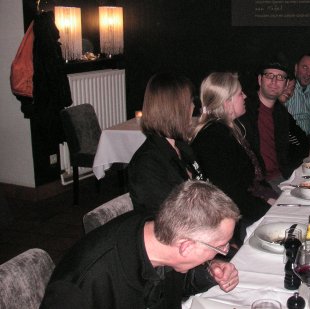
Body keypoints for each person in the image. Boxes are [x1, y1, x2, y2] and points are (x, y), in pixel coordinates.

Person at [40, 181, 241, 309]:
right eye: (220, 247)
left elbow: (172, 288)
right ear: (186, 247)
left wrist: (209, 272)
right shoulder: (81, 287)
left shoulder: (163, 235)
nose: (224, 252)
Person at [191, 72, 275, 242]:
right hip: (229, 222)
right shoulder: (213, 138)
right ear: (227, 102)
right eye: (240, 93)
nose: (245, 97)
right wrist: (268, 210)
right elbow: (231, 195)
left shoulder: (228, 129)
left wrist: (270, 199)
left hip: (245, 209)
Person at [128, 72, 205, 215]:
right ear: (175, 110)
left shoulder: (182, 147)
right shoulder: (148, 163)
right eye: (189, 102)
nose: (194, 106)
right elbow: (170, 217)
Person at [239, 61, 310, 193]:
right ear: (260, 79)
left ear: (286, 84)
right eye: (269, 75)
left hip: (282, 177)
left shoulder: (281, 113)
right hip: (259, 183)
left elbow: (288, 149)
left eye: (280, 77)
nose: (274, 81)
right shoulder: (243, 110)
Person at [284, 54, 310, 149]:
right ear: (296, 68)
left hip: (307, 143)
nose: (308, 73)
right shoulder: (286, 88)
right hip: (289, 145)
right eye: (305, 67)